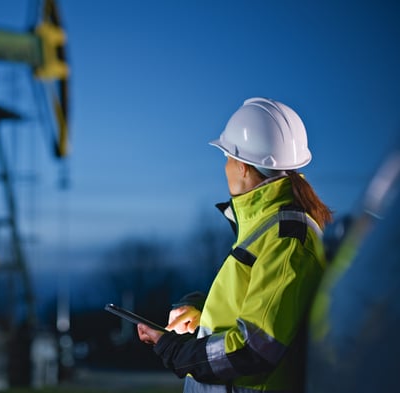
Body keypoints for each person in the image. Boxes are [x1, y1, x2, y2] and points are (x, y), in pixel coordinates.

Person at [137, 97, 332, 393]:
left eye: (227, 158)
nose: (226, 167)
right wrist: (201, 312)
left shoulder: (287, 237)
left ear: (242, 166)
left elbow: (255, 349)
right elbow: (259, 309)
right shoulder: (268, 228)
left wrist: (174, 350)